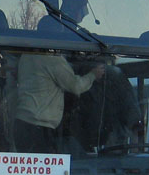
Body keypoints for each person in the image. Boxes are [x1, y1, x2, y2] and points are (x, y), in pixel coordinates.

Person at [14, 16, 105, 152]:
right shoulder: (51, 58)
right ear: (55, 34)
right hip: (39, 127)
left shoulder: (26, 56)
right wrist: (93, 74)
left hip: (22, 124)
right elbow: (75, 86)